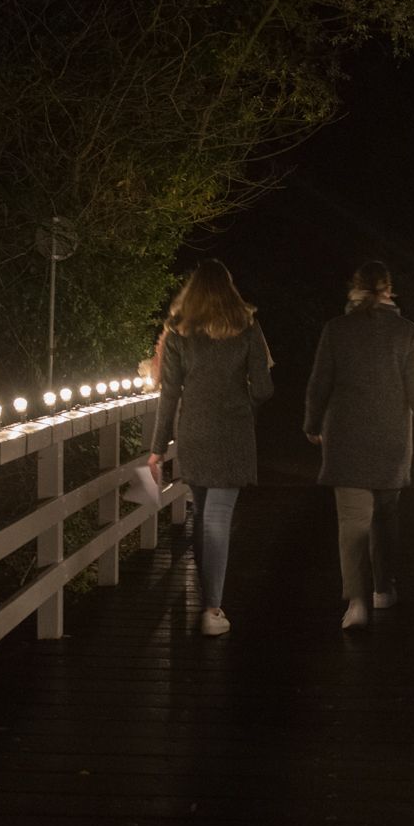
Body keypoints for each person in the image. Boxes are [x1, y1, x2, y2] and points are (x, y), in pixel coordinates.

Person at [303, 261, 414, 630]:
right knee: (385, 518)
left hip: (346, 436)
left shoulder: (336, 330)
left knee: (352, 521)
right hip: (390, 438)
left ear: (354, 289)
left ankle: (356, 602)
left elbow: (320, 383)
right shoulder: (408, 333)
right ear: (388, 291)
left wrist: (312, 423)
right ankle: (383, 588)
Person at [147, 260, 273, 636]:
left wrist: (157, 448)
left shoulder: (178, 331)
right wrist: (245, 401)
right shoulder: (248, 327)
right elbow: (264, 388)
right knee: (216, 518)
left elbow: (169, 393)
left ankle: (207, 600)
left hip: (195, 431)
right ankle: (212, 609)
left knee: (203, 515)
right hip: (232, 429)